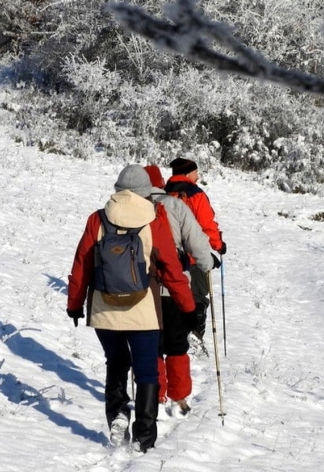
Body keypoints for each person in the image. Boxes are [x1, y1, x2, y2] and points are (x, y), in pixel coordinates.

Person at [66, 165, 196, 452]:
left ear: (118, 189)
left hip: (104, 309)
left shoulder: (97, 219)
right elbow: (172, 270)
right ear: (145, 192)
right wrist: (187, 306)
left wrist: (74, 305)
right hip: (144, 310)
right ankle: (144, 437)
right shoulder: (154, 219)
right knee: (146, 370)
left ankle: (118, 415)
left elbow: (81, 266)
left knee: (116, 363)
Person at [144, 164, 218, 415]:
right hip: (175, 285)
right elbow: (196, 240)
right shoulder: (174, 205)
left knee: (152, 345)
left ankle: (157, 394)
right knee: (176, 345)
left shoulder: (134, 206)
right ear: (160, 182)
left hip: (145, 289)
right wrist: (208, 262)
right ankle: (179, 396)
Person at [165, 158, 226, 340]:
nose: (198, 176)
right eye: (195, 172)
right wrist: (218, 245)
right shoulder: (196, 194)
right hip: (193, 257)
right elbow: (207, 225)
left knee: (173, 297)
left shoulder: (164, 193)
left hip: (168, 256)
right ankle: (195, 335)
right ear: (186, 174)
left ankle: (175, 333)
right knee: (198, 296)